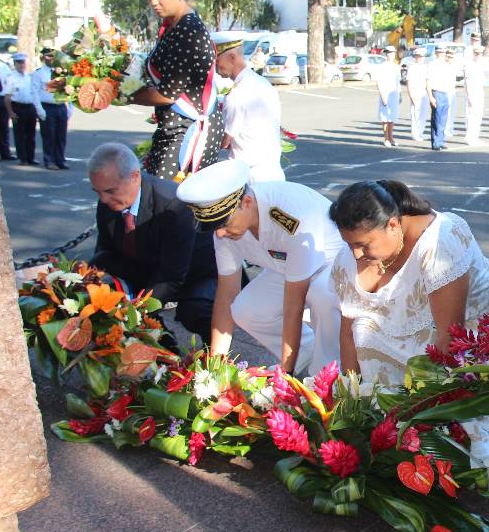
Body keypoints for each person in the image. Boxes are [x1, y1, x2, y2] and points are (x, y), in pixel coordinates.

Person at [328, 180, 489, 386]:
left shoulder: (439, 243)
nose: (355, 254)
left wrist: (424, 410)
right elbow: (348, 333)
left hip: (471, 359)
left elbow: (450, 340)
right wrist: (352, 396)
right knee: (364, 329)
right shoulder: (350, 258)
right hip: (407, 369)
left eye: (362, 245)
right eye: (349, 244)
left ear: (392, 225)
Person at [176, 159, 346, 377]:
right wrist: (214, 368)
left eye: (224, 224)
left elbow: (293, 305)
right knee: (245, 310)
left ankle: (330, 371)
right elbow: (227, 294)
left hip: (332, 262)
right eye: (215, 227)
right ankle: (306, 355)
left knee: (322, 296)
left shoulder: (291, 218)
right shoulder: (225, 227)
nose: (219, 234)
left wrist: (285, 372)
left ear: (247, 202)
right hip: (287, 267)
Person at [87, 143, 217, 343]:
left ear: (135, 176)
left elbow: (172, 276)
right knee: (104, 294)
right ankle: (162, 349)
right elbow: (105, 253)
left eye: (110, 191)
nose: (103, 199)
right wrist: (90, 282)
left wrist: (135, 310)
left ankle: (216, 358)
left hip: (196, 273)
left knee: (195, 311)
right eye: (97, 192)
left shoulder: (174, 205)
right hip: (148, 266)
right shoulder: (108, 201)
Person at [130, 0, 224, 181]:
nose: (153, 2)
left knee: (170, 202)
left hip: (188, 130)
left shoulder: (187, 31)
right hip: (177, 126)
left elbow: (167, 94)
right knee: (160, 197)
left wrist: (127, 95)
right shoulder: (175, 26)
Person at [212, 33, 285, 181]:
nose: (215, 67)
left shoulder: (237, 94)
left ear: (232, 58)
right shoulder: (262, 82)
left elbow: (225, 141)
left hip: (252, 175)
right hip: (273, 169)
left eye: (216, 60)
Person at [32, 47, 71, 170]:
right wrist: (39, 110)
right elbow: (34, 92)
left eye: (53, 56)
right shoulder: (38, 73)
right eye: (48, 56)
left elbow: (69, 89)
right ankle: (49, 160)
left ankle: (60, 160)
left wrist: (70, 107)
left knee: (61, 136)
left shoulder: (62, 72)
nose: (51, 58)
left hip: (60, 106)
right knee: (49, 136)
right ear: (43, 58)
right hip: (47, 106)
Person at [6, 53, 44, 167]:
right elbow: (7, 97)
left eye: (23, 62)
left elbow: (35, 93)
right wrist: (10, 112)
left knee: (31, 134)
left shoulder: (30, 76)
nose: (21, 65)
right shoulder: (11, 77)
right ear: (15, 64)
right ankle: (23, 158)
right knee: (20, 134)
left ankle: (30, 157)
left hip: (30, 107)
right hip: (17, 107)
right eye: (19, 63)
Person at [426, 44, 453, 151]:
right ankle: (436, 142)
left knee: (443, 119)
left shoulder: (446, 65)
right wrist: (430, 96)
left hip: (445, 93)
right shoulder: (432, 64)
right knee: (436, 118)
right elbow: (428, 81)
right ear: (436, 53)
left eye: (443, 52)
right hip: (436, 92)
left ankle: (441, 140)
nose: (442, 54)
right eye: (440, 52)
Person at [375, 46, 401, 147]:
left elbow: (397, 82)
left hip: (394, 94)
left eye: (393, 53)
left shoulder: (396, 66)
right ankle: (386, 138)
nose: (391, 55)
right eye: (389, 53)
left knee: (392, 117)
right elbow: (378, 82)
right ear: (386, 54)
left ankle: (391, 138)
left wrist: (399, 94)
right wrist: (382, 95)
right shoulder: (382, 66)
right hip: (385, 93)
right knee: (385, 117)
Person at [464, 44, 487, 145]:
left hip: (479, 92)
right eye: (476, 54)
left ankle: (475, 136)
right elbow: (467, 81)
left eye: (480, 54)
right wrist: (469, 95)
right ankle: (470, 138)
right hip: (472, 92)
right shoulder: (470, 65)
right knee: (471, 115)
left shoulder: (481, 64)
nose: (478, 55)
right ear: (473, 54)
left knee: (479, 115)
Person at [406, 49, 430, 142]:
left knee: (423, 114)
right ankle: (415, 134)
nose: (421, 58)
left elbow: (427, 81)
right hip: (415, 92)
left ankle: (420, 132)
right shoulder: (412, 67)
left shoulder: (425, 67)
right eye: (419, 56)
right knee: (415, 114)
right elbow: (409, 82)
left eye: (423, 56)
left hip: (424, 93)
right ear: (416, 57)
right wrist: (411, 95)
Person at [444, 49, 459, 138]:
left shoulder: (454, 66)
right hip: (445, 90)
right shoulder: (444, 66)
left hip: (452, 90)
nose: (450, 59)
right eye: (449, 57)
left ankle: (450, 128)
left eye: (452, 57)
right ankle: (445, 129)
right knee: (447, 111)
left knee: (452, 110)